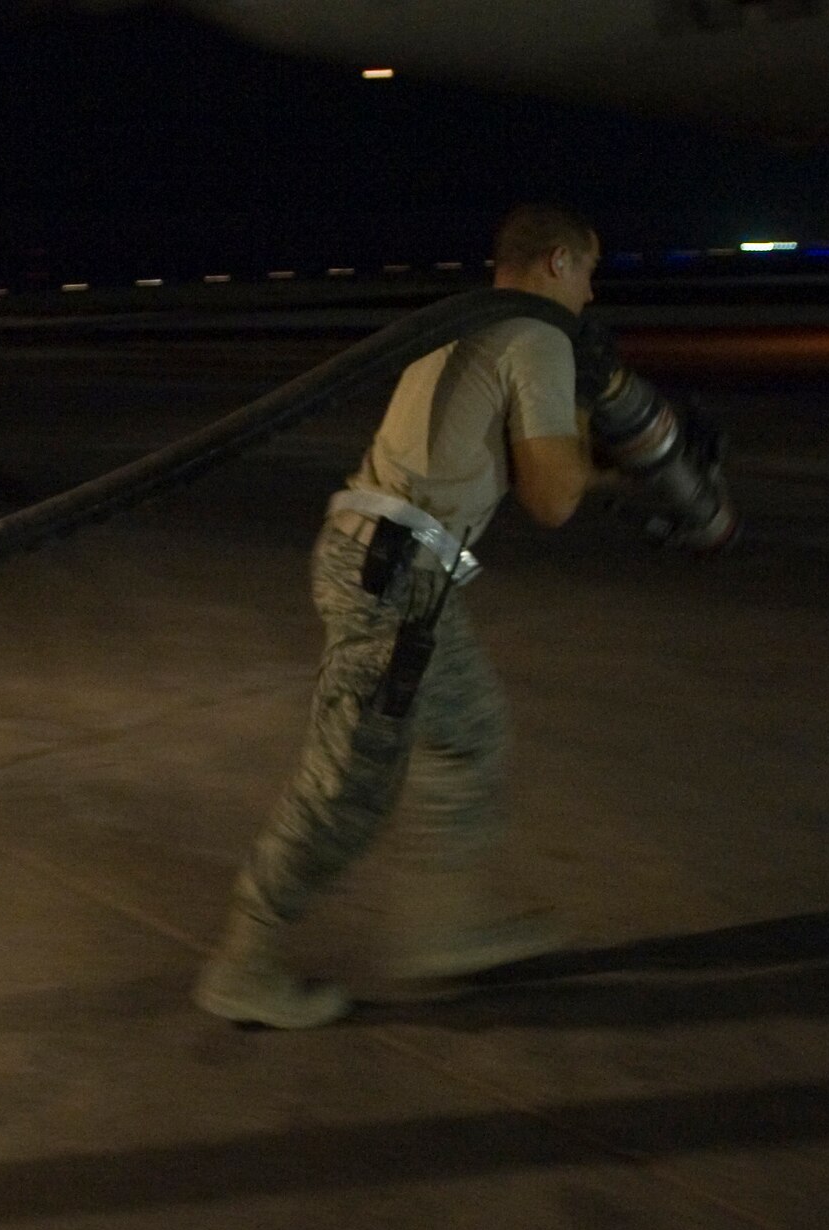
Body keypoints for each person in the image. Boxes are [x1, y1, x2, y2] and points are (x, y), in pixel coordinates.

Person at [194, 203, 602, 1029]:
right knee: (348, 785)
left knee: (468, 731)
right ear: (558, 262)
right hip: (396, 578)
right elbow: (555, 497)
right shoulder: (539, 334)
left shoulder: (465, 322)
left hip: (388, 561)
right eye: (591, 273)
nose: (592, 296)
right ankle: (243, 963)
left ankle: (447, 929)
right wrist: (586, 405)